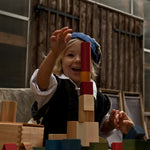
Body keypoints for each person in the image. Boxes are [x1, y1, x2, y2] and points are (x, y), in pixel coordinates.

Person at [30, 27, 134, 144]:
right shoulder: (54, 85)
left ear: (92, 65)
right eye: (70, 55)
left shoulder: (98, 98)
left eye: (84, 57)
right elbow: (41, 82)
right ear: (60, 60)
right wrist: (54, 53)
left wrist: (111, 123)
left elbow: (99, 127)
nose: (78, 60)